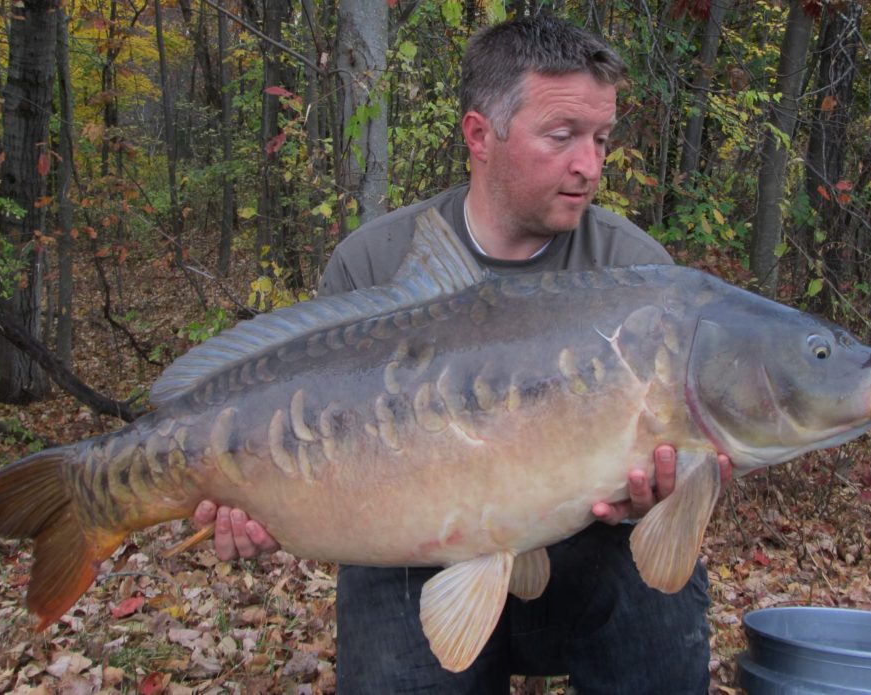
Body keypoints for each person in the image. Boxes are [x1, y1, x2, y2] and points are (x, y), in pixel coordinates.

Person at [194, 15, 731, 693]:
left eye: (600, 138)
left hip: (582, 559)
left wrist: (665, 489)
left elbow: (683, 462)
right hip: (407, 559)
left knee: (658, 607)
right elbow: (309, 438)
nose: (589, 165)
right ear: (481, 135)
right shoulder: (374, 263)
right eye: (562, 137)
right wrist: (258, 498)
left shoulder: (633, 271)